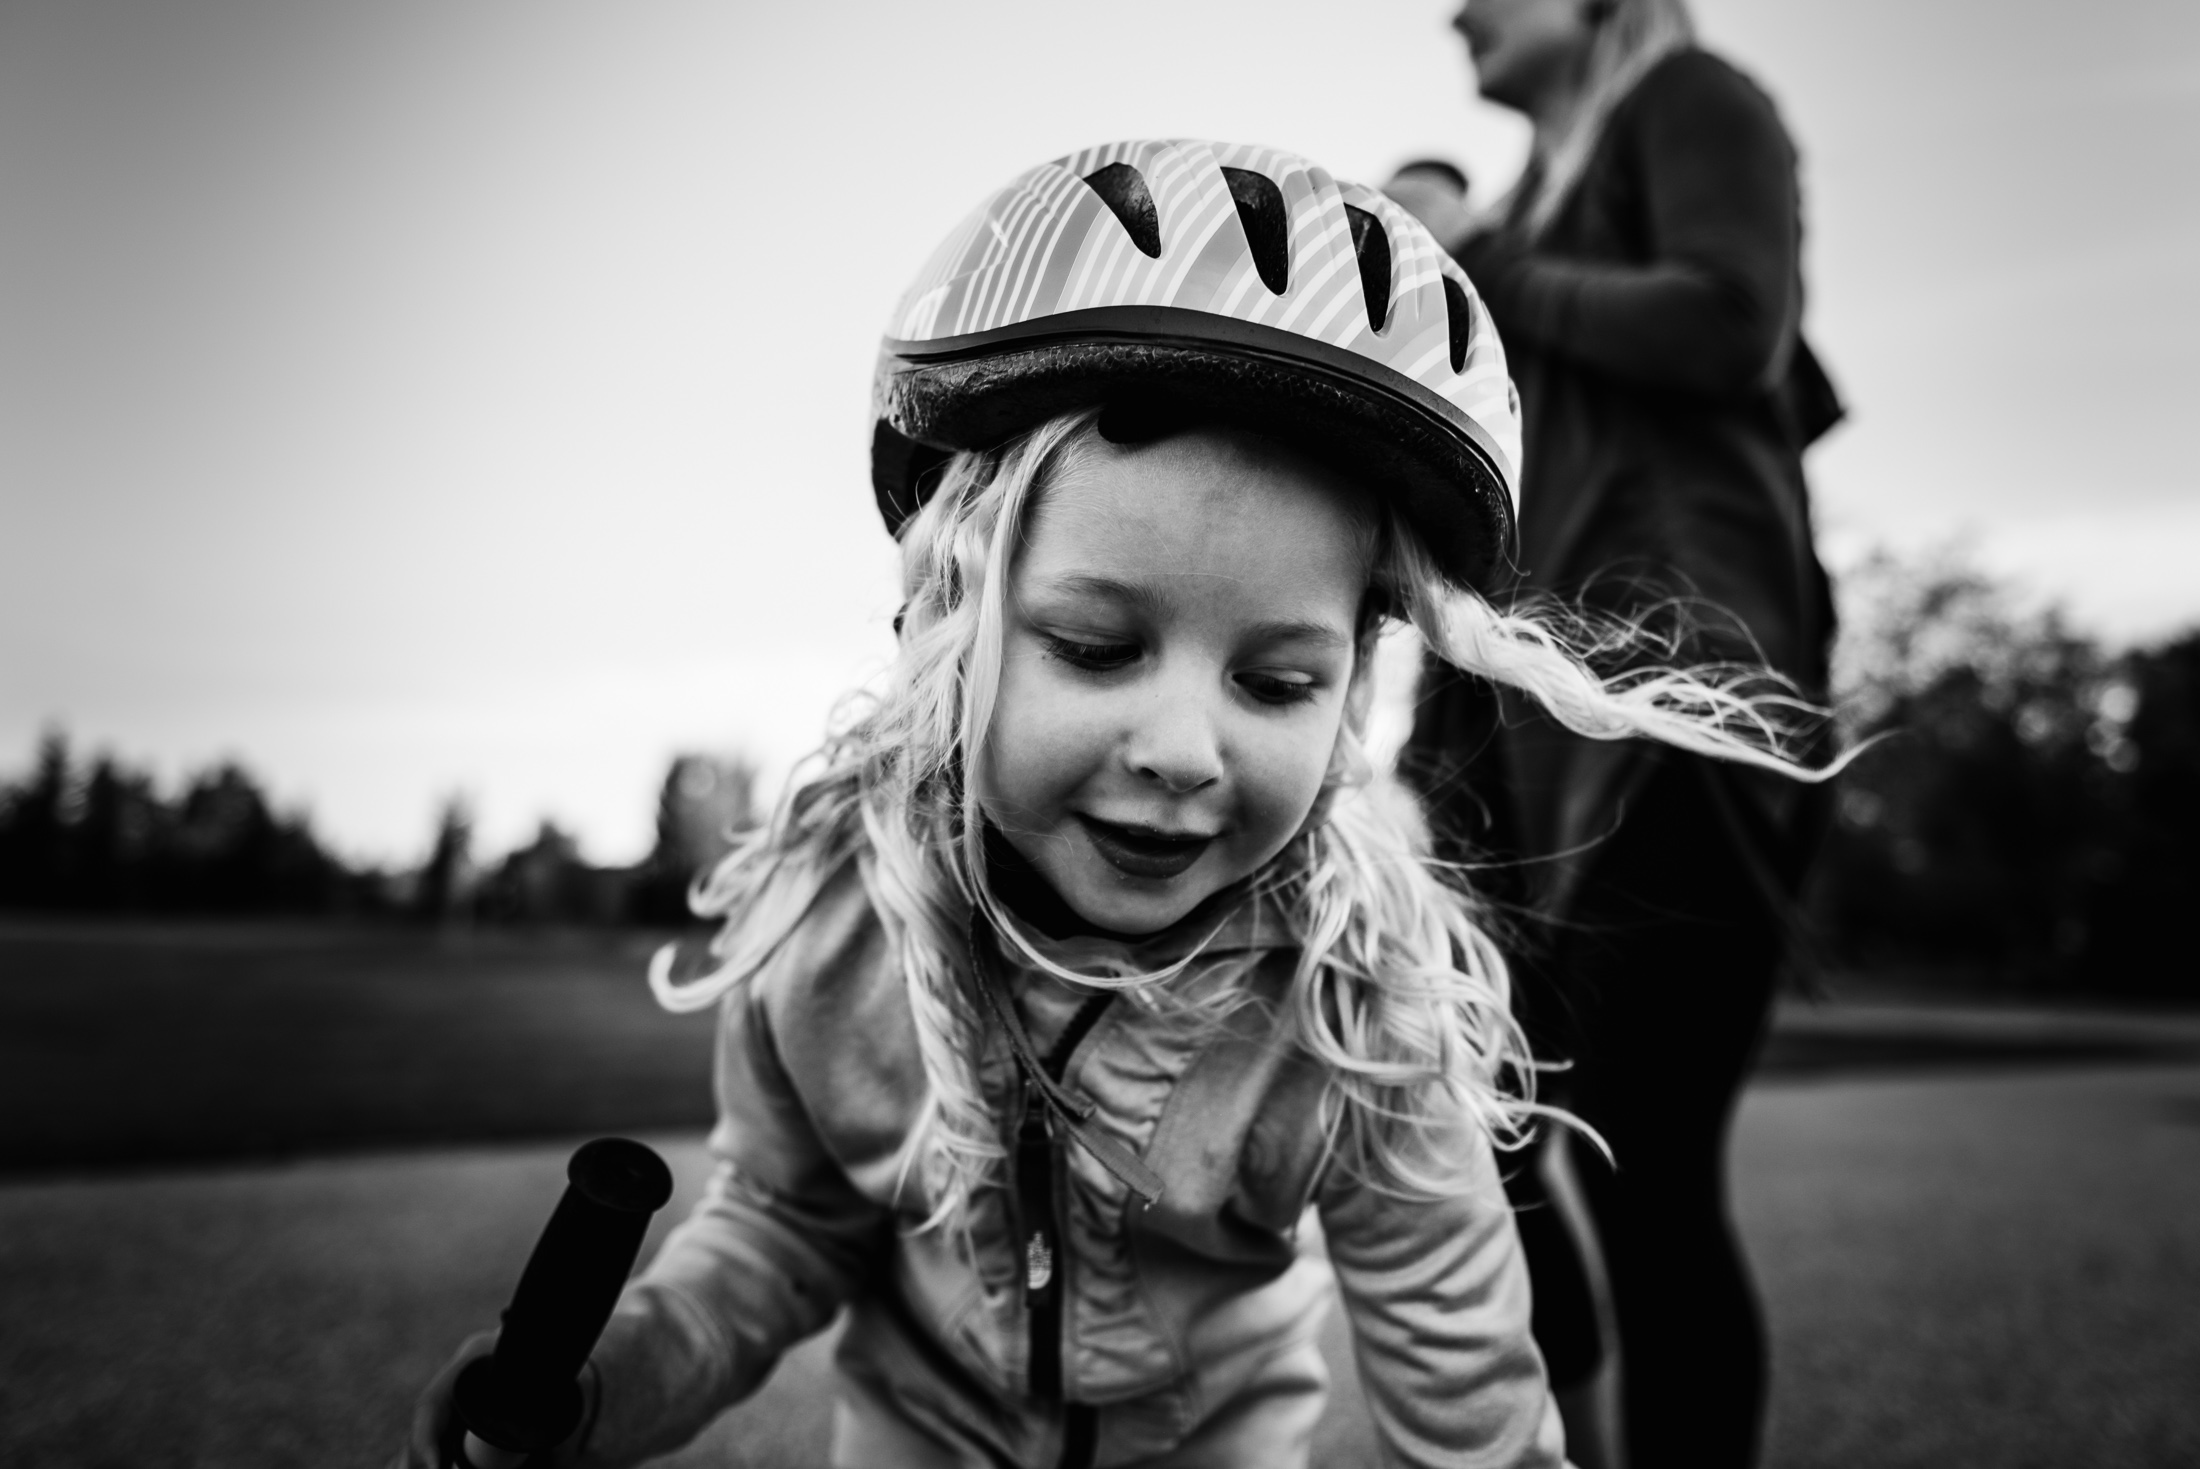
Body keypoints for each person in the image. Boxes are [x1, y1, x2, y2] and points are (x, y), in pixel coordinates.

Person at [397, 138, 1816, 1469]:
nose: (1187, 747)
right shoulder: (834, 923)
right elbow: (779, 1221)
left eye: (1273, 681)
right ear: (947, 619)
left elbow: (1467, 1371)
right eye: (1097, 647)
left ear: (1352, 693)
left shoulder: (1359, 996)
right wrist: (613, 1379)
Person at [1389, 5, 1845, 1469]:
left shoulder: (1693, 99)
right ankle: (1569, 1436)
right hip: (1529, 724)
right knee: (1477, 1115)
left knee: (1649, 1172)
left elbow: (1736, 320)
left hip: (1680, 703)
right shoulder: (1533, 206)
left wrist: (1497, 267)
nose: (1454, 10)